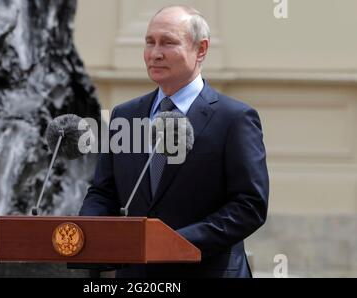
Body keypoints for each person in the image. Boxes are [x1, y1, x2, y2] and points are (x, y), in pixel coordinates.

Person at [79, 5, 269, 278]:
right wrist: (89, 231)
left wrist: (174, 243)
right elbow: (103, 192)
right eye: (149, 42)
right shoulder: (126, 115)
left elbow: (249, 205)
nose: (155, 53)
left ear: (201, 49)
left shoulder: (234, 118)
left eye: (168, 43)